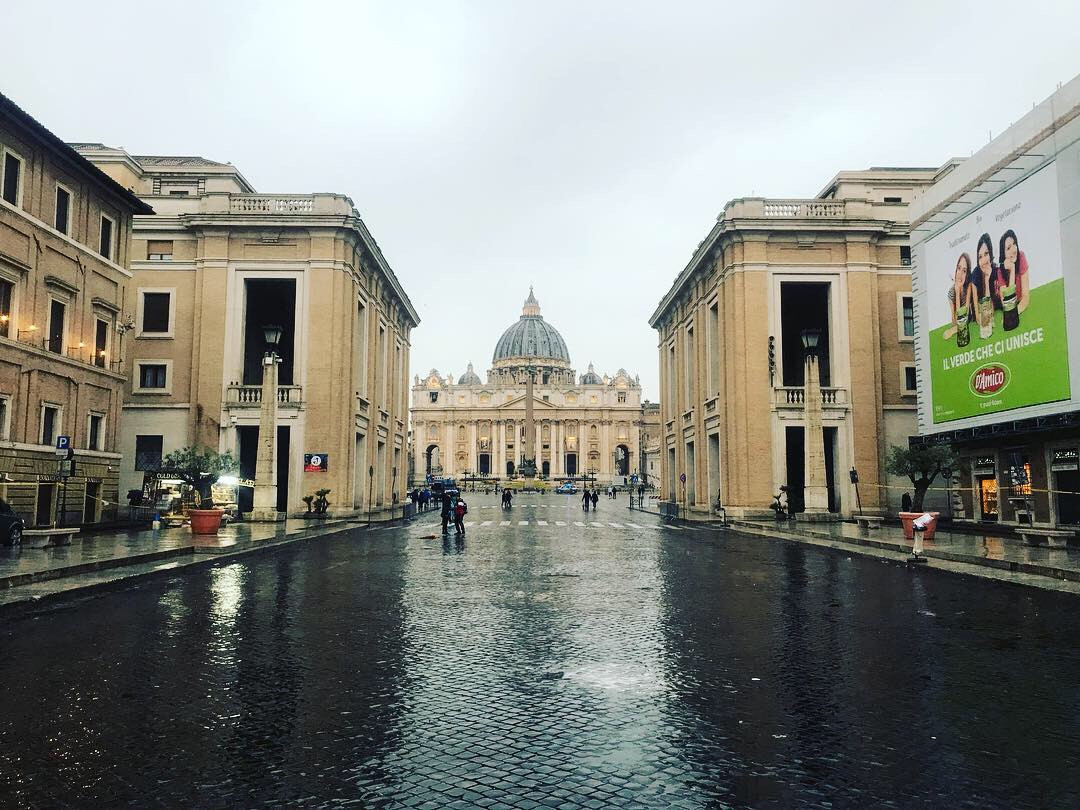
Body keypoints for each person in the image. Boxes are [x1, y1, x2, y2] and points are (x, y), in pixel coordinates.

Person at [943, 252, 976, 340]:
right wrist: (957, 292)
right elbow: (954, 320)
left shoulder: (968, 286)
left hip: (969, 317)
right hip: (959, 321)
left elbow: (965, 316)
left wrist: (953, 330)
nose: (960, 274)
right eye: (959, 268)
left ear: (967, 274)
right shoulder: (951, 293)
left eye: (964, 271)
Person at [998, 229, 1030, 313]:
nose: (1014, 250)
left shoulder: (1021, 256)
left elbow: (1026, 297)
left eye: (1014, 244)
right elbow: (1008, 304)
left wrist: (1014, 314)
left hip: (1018, 302)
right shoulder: (1000, 271)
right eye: (1008, 248)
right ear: (1003, 254)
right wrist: (1012, 270)